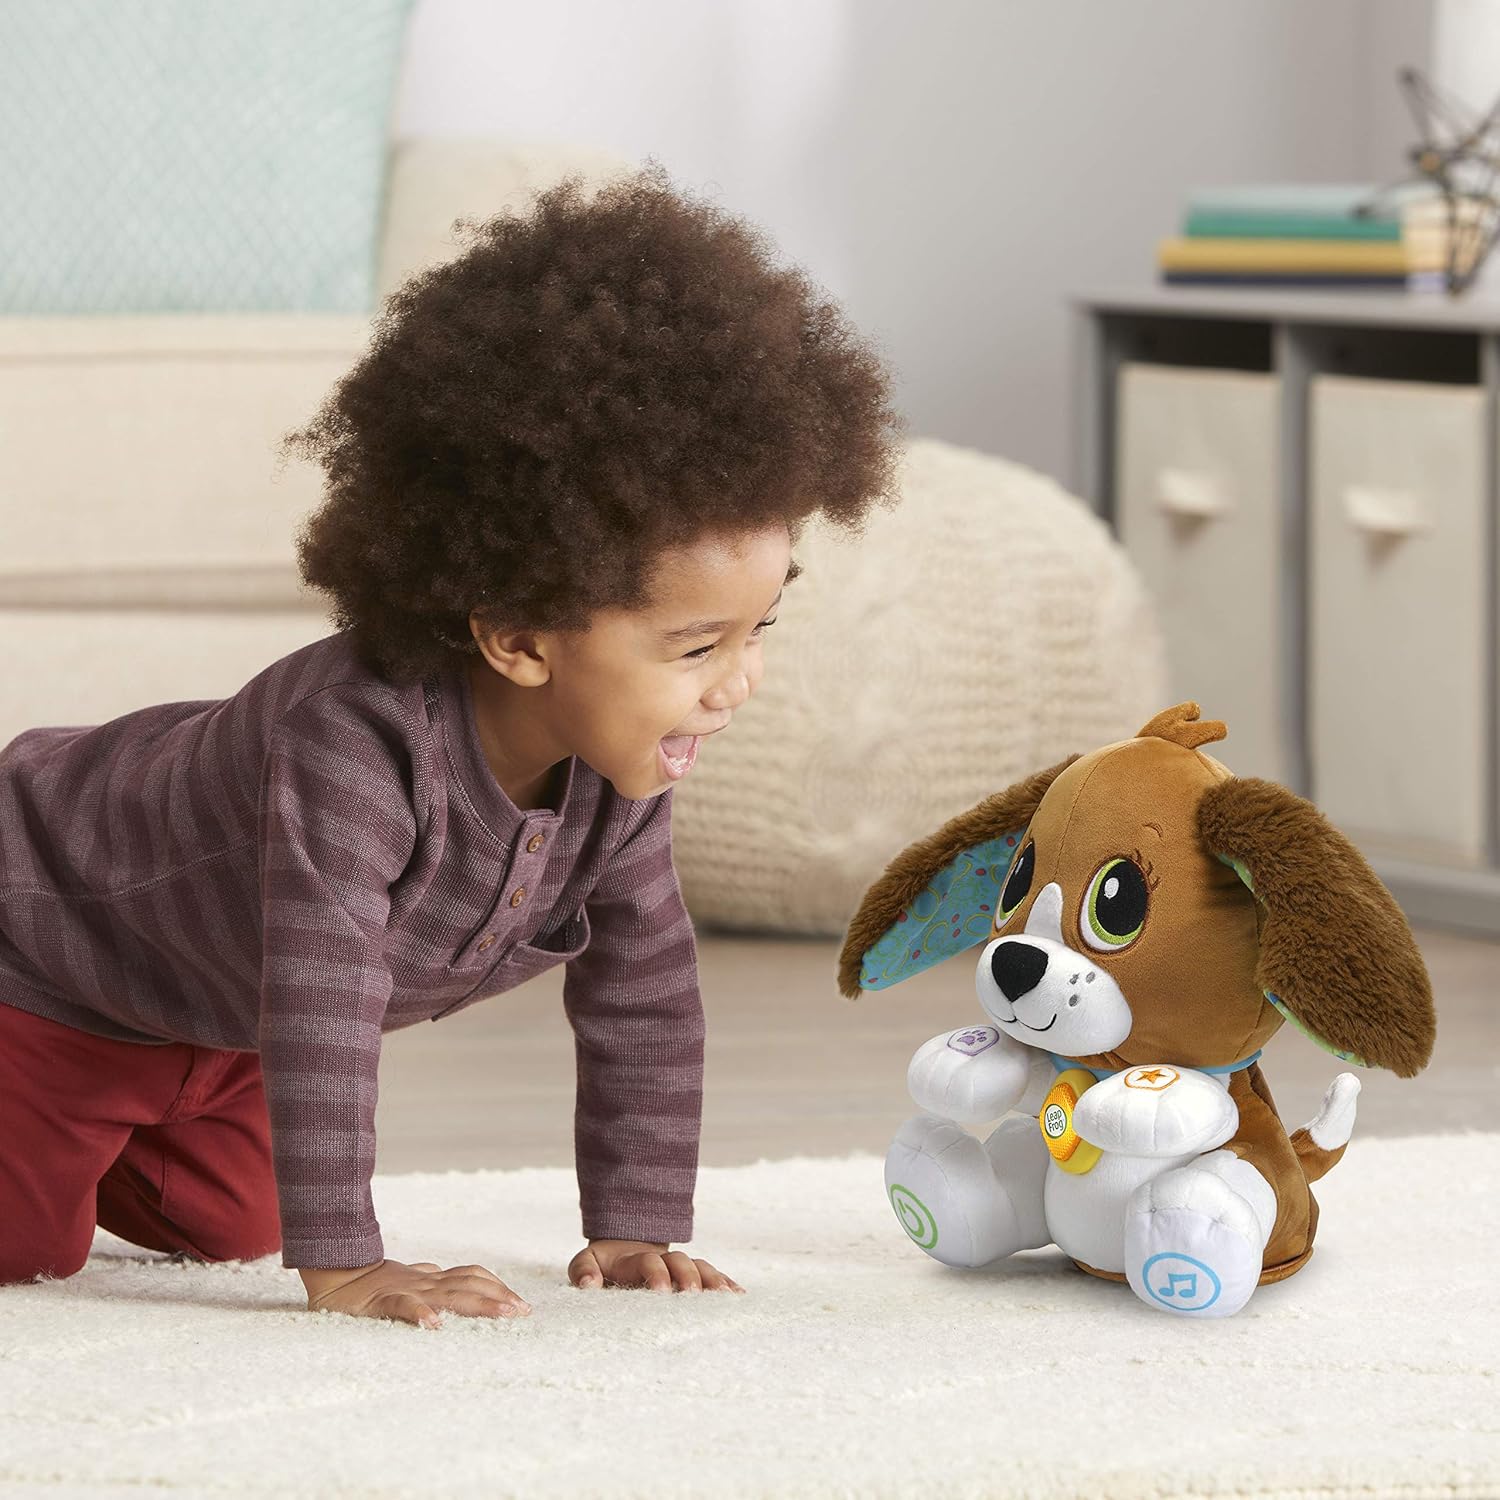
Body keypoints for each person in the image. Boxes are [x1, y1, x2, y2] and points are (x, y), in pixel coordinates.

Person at [0, 167, 901, 1328]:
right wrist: (346, 1265)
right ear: (518, 638)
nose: (741, 684)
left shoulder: (616, 778)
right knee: (29, 1248)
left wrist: (634, 1225)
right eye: (696, 648)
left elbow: (644, 993)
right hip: (48, 961)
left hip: (209, 1019)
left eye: (758, 629)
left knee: (237, 1223)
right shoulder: (353, 746)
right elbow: (321, 1003)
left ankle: (110, 1125)